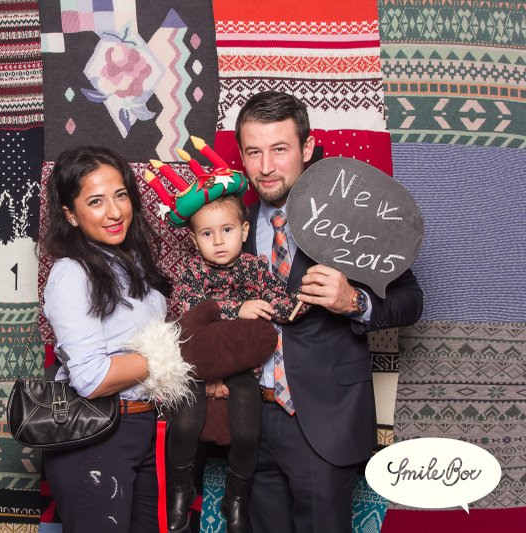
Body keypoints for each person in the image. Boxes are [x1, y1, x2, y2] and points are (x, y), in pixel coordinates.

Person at [232, 91, 423, 533]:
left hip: (323, 419)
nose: (266, 166)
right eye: (254, 152)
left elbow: (411, 300)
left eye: (279, 149)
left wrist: (353, 301)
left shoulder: (349, 218)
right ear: (241, 155)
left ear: (308, 148)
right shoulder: (229, 225)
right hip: (248, 421)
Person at [41, 145, 193, 532]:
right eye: (95, 201)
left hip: (145, 429)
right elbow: (91, 378)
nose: (114, 212)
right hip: (97, 435)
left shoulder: (134, 265)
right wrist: (176, 355)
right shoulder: (72, 273)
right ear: (70, 214)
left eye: (120, 195)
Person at [165, 193, 310, 533]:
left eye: (227, 230)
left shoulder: (255, 268)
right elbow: (187, 309)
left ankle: (235, 496)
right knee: (184, 426)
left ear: (244, 231)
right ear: (193, 239)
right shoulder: (190, 271)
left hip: (241, 369)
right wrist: (237, 309)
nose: (218, 241)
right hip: (196, 369)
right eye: (207, 233)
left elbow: (281, 305)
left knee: (247, 433)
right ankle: (181, 489)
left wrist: (305, 299)